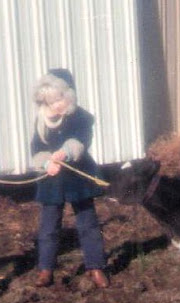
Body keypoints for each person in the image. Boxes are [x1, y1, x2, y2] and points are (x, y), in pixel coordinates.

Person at [31, 68, 109, 288]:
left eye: (59, 99)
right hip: (51, 179)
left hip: (78, 177)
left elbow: (81, 139)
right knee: (48, 226)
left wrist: (65, 152)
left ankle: (95, 267)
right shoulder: (41, 120)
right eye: (51, 100)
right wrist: (46, 163)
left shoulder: (81, 117)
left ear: (69, 96)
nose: (56, 105)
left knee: (88, 222)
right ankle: (45, 269)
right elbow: (35, 148)